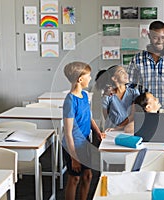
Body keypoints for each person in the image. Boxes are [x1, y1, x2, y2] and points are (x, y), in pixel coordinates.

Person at [62, 61, 105, 200]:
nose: (91, 78)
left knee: (87, 176)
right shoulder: (70, 101)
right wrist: (74, 157)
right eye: (89, 76)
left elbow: (89, 118)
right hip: (73, 145)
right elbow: (68, 133)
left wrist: (98, 132)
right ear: (80, 79)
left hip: (85, 142)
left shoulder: (85, 95)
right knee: (74, 179)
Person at [127, 20, 164, 110]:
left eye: (163, 37)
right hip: (144, 114)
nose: (160, 41)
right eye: (156, 37)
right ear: (149, 36)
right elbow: (128, 88)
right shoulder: (137, 60)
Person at [95, 65, 140, 131]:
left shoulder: (134, 93)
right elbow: (107, 118)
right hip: (111, 131)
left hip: (128, 130)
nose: (126, 74)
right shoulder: (107, 96)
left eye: (125, 71)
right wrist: (114, 128)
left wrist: (117, 128)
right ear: (114, 78)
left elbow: (133, 115)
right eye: (121, 72)